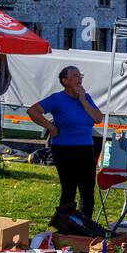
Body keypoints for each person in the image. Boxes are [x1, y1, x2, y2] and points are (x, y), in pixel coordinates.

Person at [28, 66, 105, 230]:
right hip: (64, 149)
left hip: (86, 147)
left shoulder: (86, 97)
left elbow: (97, 118)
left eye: (80, 75)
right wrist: (51, 127)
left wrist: (83, 100)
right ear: (65, 80)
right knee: (69, 188)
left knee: (87, 190)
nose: (79, 78)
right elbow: (33, 111)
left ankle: (84, 226)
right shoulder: (57, 99)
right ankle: (65, 225)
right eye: (75, 75)